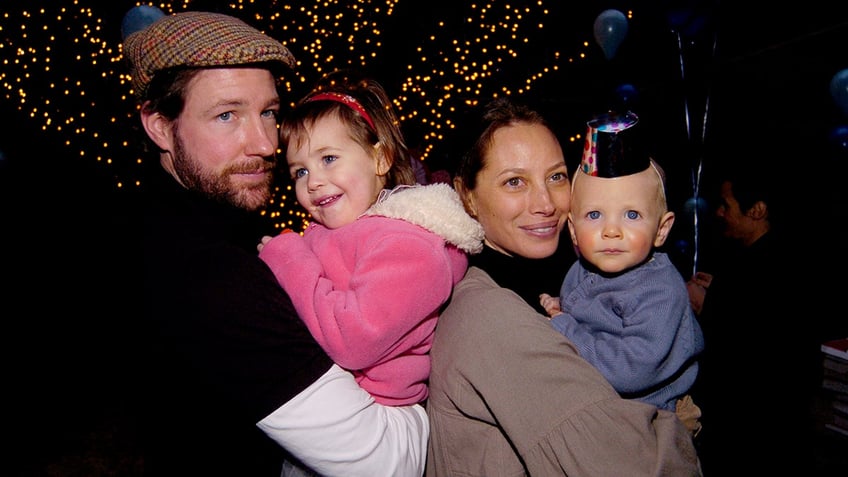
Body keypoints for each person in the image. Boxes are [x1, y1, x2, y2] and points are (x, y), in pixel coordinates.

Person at [126, 11, 427, 476]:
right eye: (227, 115)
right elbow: (387, 463)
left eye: (268, 112)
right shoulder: (205, 273)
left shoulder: (221, 221)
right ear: (160, 127)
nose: (267, 144)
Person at [425, 97, 702, 476]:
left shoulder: (576, 272)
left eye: (556, 177)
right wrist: (678, 433)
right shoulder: (495, 316)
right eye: (514, 182)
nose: (545, 203)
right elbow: (637, 466)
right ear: (467, 195)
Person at [257, 72, 483, 406]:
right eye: (300, 172)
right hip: (338, 396)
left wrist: (290, 261)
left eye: (329, 158)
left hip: (378, 409)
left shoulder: (408, 245)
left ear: (380, 158)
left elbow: (354, 341)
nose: (314, 181)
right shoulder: (334, 233)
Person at [539, 112, 704, 415]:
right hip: (598, 398)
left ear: (662, 230)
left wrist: (565, 327)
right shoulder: (584, 268)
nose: (611, 230)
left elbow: (630, 370)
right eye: (594, 215)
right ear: (573, 230)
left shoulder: (660, 292)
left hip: (645, 417)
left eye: (631, 215)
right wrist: (561, 307)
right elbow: (589, 313)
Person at [684, 157, 820, 475]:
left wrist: (708, 306)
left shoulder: (763, 270)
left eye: (726, 205)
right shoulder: (777, 256)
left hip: (756, 431)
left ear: (756, 210)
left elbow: (752, 350)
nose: (719, 212)